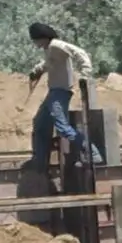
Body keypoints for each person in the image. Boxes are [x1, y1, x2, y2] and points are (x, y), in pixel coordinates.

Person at [27, 21, 95, 174]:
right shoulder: (50, 49)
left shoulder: (56, 46)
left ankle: (91, 151)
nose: (35, 44)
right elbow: (49, 64)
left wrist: (85, 73)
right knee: (39, 123)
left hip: (60, 92)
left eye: (36, 40)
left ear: (42, 37)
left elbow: (80, 53)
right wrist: (37, 70)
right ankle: (39, 160)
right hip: (54, 92)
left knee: (63, 128)